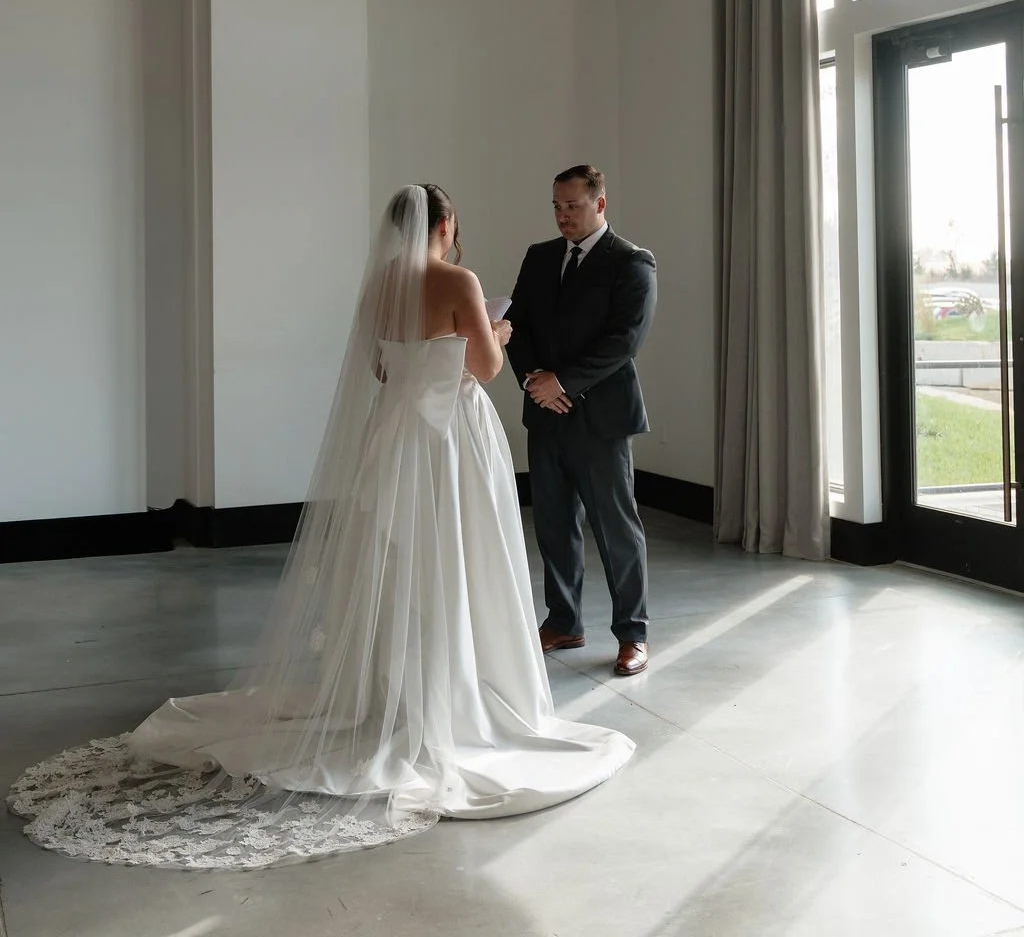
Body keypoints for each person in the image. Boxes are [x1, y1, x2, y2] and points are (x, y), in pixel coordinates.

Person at [9, 185, 634, 870]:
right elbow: (483, 368)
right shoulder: (459, 279)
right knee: (457, 560)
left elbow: (377, 367)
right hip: (450, 440)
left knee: (398, 566)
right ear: (446, 225)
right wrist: (501, 333)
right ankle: (456, 696)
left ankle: (388, 696)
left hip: (393, 439)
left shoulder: (380, 287)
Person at [507, 166, 657, 678]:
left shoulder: (632, 262)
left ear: (600, 204)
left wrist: (564, 383)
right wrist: (534, 379)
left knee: (616, 528)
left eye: (572, 206)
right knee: (553, 523)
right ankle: (564, 620)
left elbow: (624, 342)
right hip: (544, 414)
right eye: (556, 206)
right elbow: (516, 325)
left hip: (602, 419)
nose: (562, 216)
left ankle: (632, 634)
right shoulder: (539, 257)